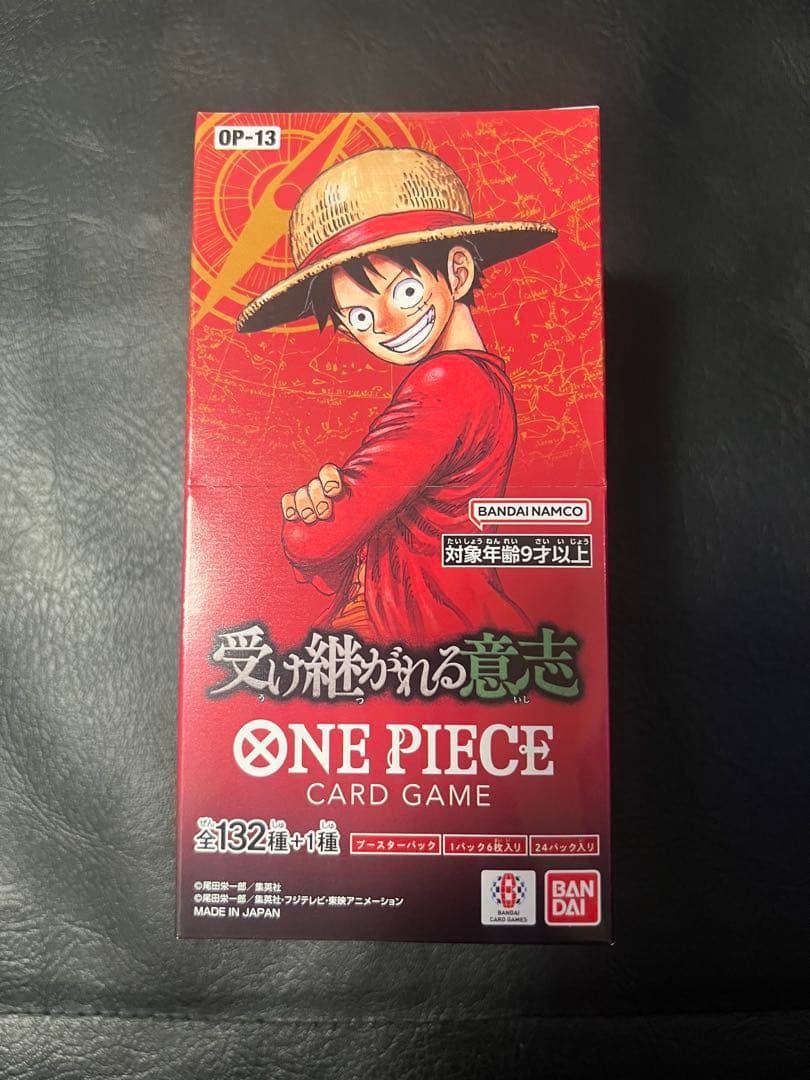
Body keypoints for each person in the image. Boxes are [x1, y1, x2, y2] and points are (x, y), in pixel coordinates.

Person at [237, 147, 557, 645]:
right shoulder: (481, 380)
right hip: (433, 629)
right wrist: (323, 508)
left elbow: (320, 541)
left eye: (405, 292)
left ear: (457, 273)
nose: (385, 326)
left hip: (419, 633)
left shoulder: (447, 383)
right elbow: (378, 536)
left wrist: (305, 525)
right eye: (360, 317)